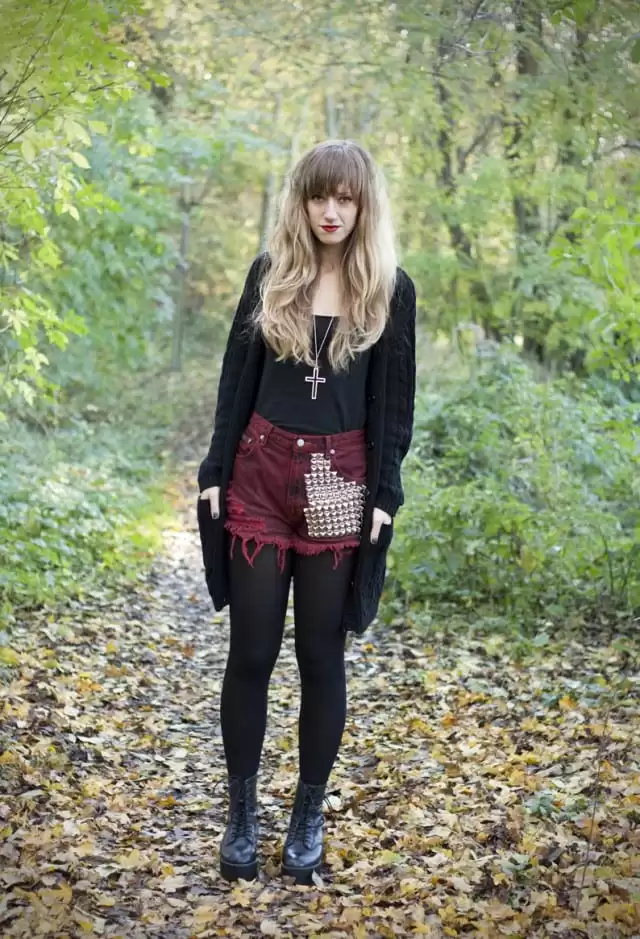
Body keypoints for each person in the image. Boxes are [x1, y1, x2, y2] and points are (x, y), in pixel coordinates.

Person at [197, 139, 416, 885]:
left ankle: (307, 815)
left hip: (339, 485)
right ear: (302, 200)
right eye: (320, 196)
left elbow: (395, 407)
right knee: (251, 654)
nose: (331, 211)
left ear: (363, 205)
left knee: (321, 657)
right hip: (258, 476)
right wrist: (215, 469)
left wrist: (386, 492)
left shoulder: (390, 289)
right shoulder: (271, 276)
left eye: (345, 198)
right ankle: (241, 815)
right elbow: (237, 381)